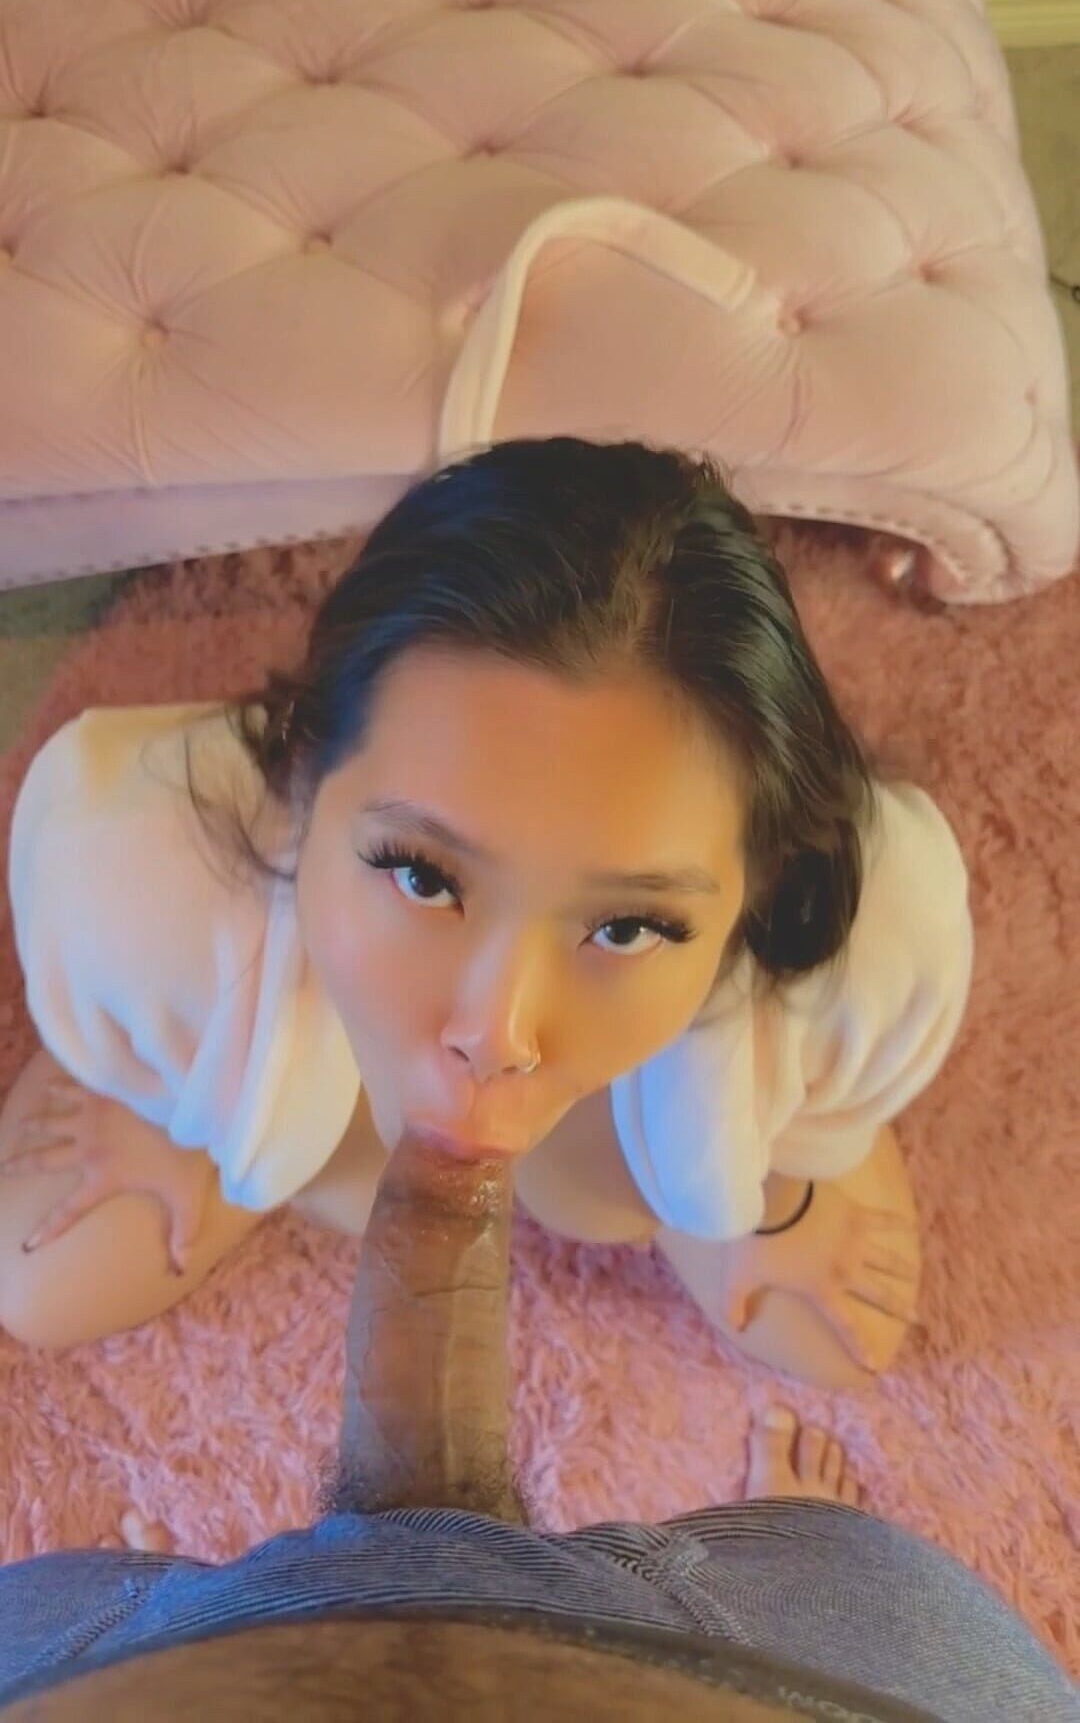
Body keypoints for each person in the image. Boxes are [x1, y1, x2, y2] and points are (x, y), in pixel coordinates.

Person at [1, 436, 974, 1387]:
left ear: (756, 893)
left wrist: (772, 1155)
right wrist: (172, 1077)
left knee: (823, 1346)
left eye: (627, 926)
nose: (496, 1035)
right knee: (47, 1285)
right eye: (424, 878)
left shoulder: (864, 959)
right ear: (300, 780)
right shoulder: (142, 886)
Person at [0, 1125, 1072, 1722]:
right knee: (834, 1571)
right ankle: (788, 1560)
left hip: (69, 1670)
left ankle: (162, 1605)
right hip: (847, 1672)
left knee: (92, 1598)